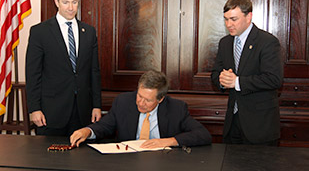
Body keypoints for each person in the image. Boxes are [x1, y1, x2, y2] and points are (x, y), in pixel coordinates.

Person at [26, 0, 102, 136]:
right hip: (50, 113)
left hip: (82, 112)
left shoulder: (88, 32)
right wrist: (34, 109)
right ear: (56, 1)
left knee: (81, 159)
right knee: (49, 159)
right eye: (66, 2)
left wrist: (96, 105)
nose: (70, 7)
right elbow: (33, 74)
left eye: (74, 2)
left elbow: (94, 72)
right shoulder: (40, 32)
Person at [70, 70, 212, 148]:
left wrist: (169, 141)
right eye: (139, 96)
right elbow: (104, 126)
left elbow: (203, 134)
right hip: (128, 162)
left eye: (148, 100)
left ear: (160, 99)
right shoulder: (123, 102)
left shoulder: (176, 108)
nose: (141, 102)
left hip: (163, 163)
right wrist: (87, 131)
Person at [211, 0, 283, 145]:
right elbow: (215, 74)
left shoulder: (267, 42)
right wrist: (222, 80)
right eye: (226, 19)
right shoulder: (225, 43)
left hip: (260, 126)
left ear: (248, 16)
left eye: (234, 19)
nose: (228, 24)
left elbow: (274, 79)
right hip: (233, 123)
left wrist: (237, 82)